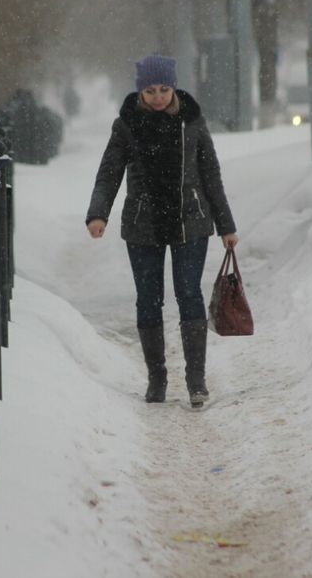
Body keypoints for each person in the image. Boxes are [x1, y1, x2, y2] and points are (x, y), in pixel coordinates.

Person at [85, 54, 239, 407]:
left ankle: (196, 380)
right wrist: (98, 214)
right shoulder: (126, 124)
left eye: (164, 89)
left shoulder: (192, 121)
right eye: (151, 90)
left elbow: (211, 174)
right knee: (149, 299)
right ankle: (157, 379)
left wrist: (227, 225)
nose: (158, 97)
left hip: (191, 220)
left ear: (174, 87)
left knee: (189, 295)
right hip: (143, 224)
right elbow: (109, 172)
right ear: (141, 90)